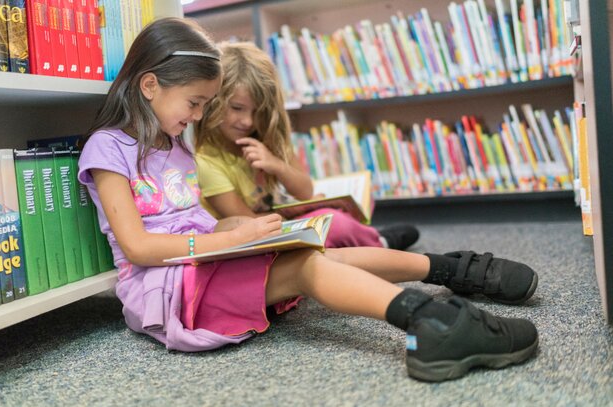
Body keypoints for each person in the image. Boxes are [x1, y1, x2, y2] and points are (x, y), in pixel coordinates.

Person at [78, 17, 539, 383]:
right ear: (150, 85)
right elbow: (139, 247)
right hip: (167, 291)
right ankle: (430, 323)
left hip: (202, 264)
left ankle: (447, 269)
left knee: (308, 246)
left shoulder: (174, 145)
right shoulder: (107, 148)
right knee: (306, 268)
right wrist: (222, 242)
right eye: (195, 103)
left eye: (206, 104)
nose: (199, 115)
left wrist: (236, 230)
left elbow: (195, 223)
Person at [194, 42, 418, 251]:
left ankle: (360, 244)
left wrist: (277, 166)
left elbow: (306, 191)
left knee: (342, 209)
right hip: (257, 237)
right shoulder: (205, 160)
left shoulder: (264, 136)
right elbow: (247, 226)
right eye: (237, 108)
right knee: (334, 222)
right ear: (214, 100)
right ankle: (376, 243)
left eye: (258, 111)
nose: (249, 122)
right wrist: (297, 212)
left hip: (282, 220)